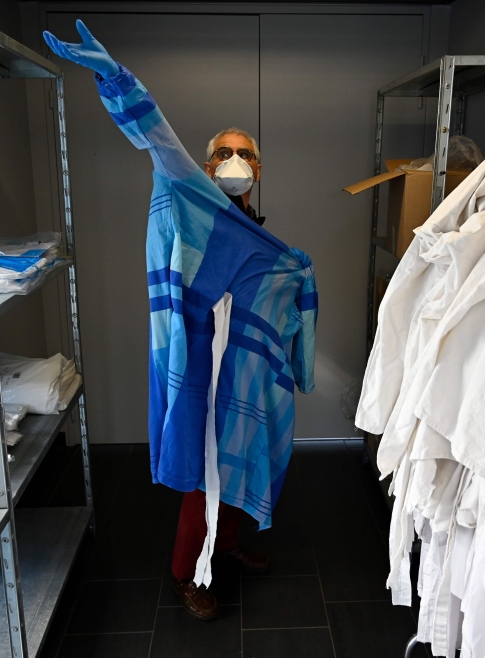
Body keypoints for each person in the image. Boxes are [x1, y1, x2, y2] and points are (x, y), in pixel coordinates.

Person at [43, 21, 318, 621]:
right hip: (198, 365)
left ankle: (232, 544)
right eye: (225, 152)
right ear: (207, 161)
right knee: (200, 474)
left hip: (244, 373)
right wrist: (114, 76)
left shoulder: (262, 238)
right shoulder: (189, 193)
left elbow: (264, 290)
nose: (235, 161)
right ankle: (184, 574)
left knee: (245, 455)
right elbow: (157, 136)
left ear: (260, 168)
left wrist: (294, 288)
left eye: (246, 154)